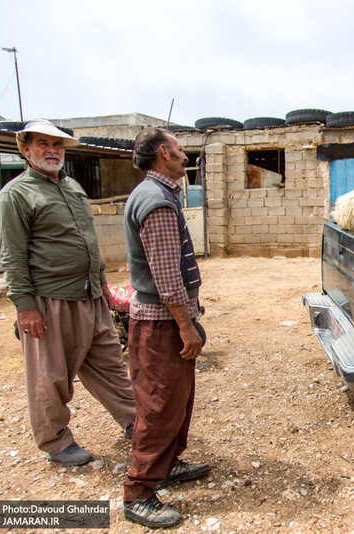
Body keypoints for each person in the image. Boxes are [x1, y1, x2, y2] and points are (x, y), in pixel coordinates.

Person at [0, 120, 136, 467]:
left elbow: (90, 242)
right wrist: (25, 308)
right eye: (42, 144)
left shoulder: (73, 188)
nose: (51, 150)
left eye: (57, 145)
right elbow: (12, 256)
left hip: (89, 294)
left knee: (111, 364)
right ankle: (56, 442)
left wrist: (102, 284)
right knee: (51, 375)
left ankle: (136, 422)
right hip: (49, 299)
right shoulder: (15, 195)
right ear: (25, 150)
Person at [122, 128, 209, 529]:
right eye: (178, 149)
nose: (184, 156)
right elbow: (165, 276)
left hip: (165, 318)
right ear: (163, 153)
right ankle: (139, 493)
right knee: (158, 406)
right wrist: (187, 327)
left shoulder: (159, 193)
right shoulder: (156, 201)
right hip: (160, 323)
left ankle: (168, 465)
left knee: (176, 399)